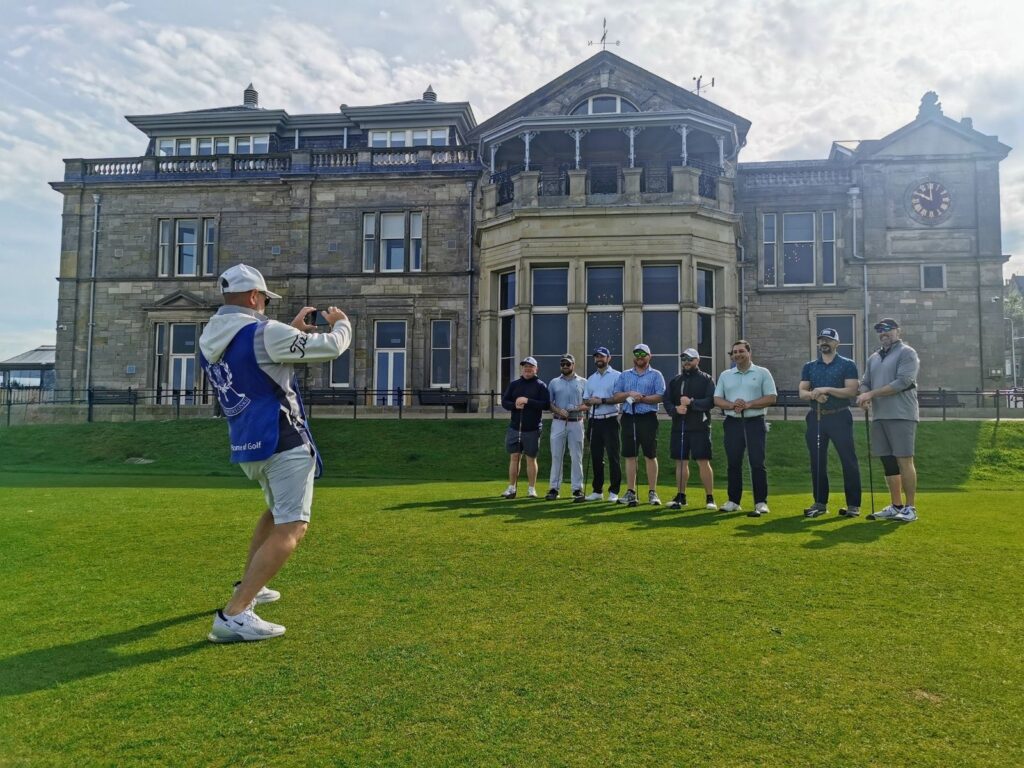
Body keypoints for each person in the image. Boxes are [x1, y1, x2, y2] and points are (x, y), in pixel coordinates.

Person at [199, 263, 351, 643]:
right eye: (265, 299)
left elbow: (254, 360)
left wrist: (293, 332)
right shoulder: (266, 331)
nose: (265, 305)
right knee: (293, 526)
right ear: (254, 297)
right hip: (282, 438)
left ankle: (250, 584)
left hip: (247, 441)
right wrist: (343, 322)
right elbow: (331, 347)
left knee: (275, 511)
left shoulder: (209, 338)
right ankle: (235, 613)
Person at [856, 318, 921, 522]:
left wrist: (871, 395)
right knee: (888, 462)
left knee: (904, 460)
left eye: (888, 330)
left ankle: (910, 508)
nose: (884, 333)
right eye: (880, 331)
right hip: (880, 415)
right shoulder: (873, 357)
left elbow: (903, 381)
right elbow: (865, 382)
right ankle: (896, 505)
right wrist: (865, 396)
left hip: (902, 414)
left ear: (898, 331)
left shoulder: (907, 353)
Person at [799, 328, 862, 518]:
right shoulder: (810, 366)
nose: (824, 343)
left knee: (848, 460)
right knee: (817, 461)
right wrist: (814, 395)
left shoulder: (847, 364)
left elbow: (851, 391)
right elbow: (802, 392)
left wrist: (827, 389)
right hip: (816, 417)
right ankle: (820, 503)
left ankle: (853, 505)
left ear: (837, 343)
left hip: (839, 416)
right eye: (821, 340)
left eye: (828, 339)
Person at [713, 340, 778, 517]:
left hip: (755, 422)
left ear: (749, 352)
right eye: (734, 352)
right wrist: (733, 405)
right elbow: (717, 399)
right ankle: (733, 501)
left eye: (741, 351)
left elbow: (771, 397)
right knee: (733, 463)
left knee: (757, 463)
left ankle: (760, 502)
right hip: (733, 422)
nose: (737, 355)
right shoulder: (726, 375)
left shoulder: (762, 372)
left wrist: (749, 404)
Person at [612, 343, 666, 507]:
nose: (640, 357)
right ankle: (630, 491)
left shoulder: (656, 375)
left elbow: (661, 396)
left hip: (648, 417)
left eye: (643, 354)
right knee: (630, 455)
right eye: (637, 354)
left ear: (650, 356)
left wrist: (642, 398)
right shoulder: (625, 375)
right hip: (629, 417)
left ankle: (652, 492)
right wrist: (629, 394)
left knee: (650, 454)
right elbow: (616, 396)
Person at [664, 348, 717, 511]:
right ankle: (681, 496)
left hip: (700, 427)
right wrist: (675, 410)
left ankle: (710, 497)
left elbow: (711, 401)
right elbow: (666, 400)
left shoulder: (707, 379)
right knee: (680, 461)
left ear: (697, 361)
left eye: (690, 359)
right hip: (679, 426)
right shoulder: (675, 380)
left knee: (703, 461)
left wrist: (692, 403)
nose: (686, 362)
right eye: (684, 359)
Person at [500, 356, 551, 499]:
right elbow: (505, 402)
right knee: (514, 457)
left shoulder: (541, 385)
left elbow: (545, 405)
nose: (527, 369)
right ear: (522, 368)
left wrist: (528, 401)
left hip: (532, 428)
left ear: (536, 369)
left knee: (531, 458)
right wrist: (514, 405)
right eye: (525, 366)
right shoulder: (514, 384)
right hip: (515, 427)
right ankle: (511, 487)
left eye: (530, 366)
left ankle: (531, 489)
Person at [582, 346, 622, 502]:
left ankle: (614, 491)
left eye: (602, 357)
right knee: (596, 457)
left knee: (613, 457)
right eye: (597, 356)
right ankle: (597, 490)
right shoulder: (591, 379)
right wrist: (590, 401)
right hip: (594, 420)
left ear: (608, 358)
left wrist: (601, 400)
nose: (599, 359)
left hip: (610, 419)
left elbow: (619, 398)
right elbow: (586, 399)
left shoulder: (617, 376)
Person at [545, 353, 588, 500]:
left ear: (573, 365)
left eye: (567, 364)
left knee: (576, 456)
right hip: (558, 422)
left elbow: (588, 404)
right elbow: (549, 403)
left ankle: (577, 489)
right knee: (556, 456)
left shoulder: (583, 382)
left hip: (576, 422)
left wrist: (575, 408)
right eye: (562, 364)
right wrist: (558, 410)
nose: (564, 366)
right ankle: (553, 488)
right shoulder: (554, 382)